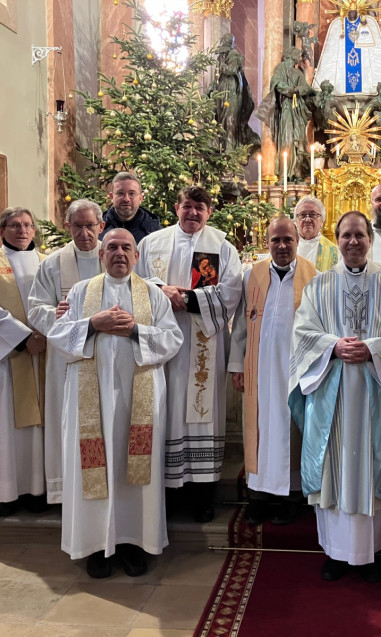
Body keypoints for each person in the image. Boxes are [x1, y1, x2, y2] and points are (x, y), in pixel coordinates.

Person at [288, 211, 381, 583]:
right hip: (332, 389)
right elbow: (303, 330)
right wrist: (332, 346)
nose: (353, 242)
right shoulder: (319, 285)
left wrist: (373, 349)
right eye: (346, 235)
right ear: (338, 239)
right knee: (333, 469)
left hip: (378, 391)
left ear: (370, 240)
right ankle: (335, 551)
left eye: (360, 235)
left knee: (372, 468)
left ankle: (370, 552)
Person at [47, 229, 182, 578]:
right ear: (102, 255)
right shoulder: (81, 292)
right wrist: (94, 324)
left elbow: (172, 339)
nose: (119, 253)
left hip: (139, 401)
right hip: (90, 400)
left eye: (126, 247)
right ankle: (95, 546)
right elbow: (57, 335)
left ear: (136, 256)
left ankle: (133, 543)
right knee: (93, 468)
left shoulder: (153, 294)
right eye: (112, 247)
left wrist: (135, 330)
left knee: (133, 471)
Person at [135, 186, 243, 522]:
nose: (193, 212)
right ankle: (168, 496)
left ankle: (202, 496)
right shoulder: (151, 243)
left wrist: (188, 299)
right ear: (176, 207)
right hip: (162, 346)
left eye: (200, 207)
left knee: (202, 417)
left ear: (209, 212)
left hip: (203, 343)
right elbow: (135, 283)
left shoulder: (221, 247)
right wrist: (161, 290)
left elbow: (231, 291)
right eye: (187, 206)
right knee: (166, 413)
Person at [228, 217, 317, 525]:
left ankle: (292, 497)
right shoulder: (251, 275)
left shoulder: (313, 277)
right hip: (259, 371)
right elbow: (241, 325)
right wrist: (237, 365)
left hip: (295, 373)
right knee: (260, 431)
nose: (281, 246)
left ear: (297, 242)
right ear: (267, 243)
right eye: (275, 240)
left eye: (287, 240)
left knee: (291, 433)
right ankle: (259, 496)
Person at [27, 199, 105, 504]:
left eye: (90, 226)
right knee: (68, 420)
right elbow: (36, 309)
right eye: (78, 226)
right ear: (68, 227)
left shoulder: (114, 254)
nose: (84, 233)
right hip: (66, 360)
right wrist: (55, 315)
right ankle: (66, 492)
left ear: (101, 226)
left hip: (106, 354)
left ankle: (102, 487)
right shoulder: (53, 264)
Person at [0, 207, 47, 517]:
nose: (22, 230)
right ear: (1, 230)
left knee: (40, 427)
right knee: (3, 425)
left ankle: (38, 490)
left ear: (34, 230)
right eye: (15, 225)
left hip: (42, 356)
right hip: (5, 359)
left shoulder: (46, 262)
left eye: (27, 225)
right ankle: (5, 493)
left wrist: (44, 337)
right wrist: (23, 338)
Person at [312, 2, 381, 96]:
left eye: (354, 12)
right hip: (344, 61)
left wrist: (365, 25)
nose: (352, 14)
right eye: (350, 12)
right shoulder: (338, 23)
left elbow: (373, 45)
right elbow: (332, 48)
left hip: (362, 59)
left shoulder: (367, 21)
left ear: (357, 12)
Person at [259, 48, 314, 179]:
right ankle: (285, 173)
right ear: (291, 55)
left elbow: (305, 87)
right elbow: (277, 82)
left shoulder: (298, 73)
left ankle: (296, 172)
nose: (298, 58)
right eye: (297, 55)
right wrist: (289, 90)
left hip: (297, 109)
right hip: (286, 107)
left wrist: (298, 90)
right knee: (287, 138)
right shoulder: (281, 68)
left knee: (299, 140)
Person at [207, 33, 260, 155]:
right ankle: (223, 147)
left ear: (230, 44)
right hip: (221, 92)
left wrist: (221, 65)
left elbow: (231, 70)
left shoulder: (234, 55)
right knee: (221, 121)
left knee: (231, 120)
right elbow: (216, 78)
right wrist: (209, 90)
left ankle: (231, 150)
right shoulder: (221, 57)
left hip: (232, 91)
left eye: (226, 42)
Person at [99, 172, 162, 243]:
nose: (126, 199)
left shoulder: (155, 232)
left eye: (132, 194)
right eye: (120, 193)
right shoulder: (98, 228)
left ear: (140, 198)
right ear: (112, 197)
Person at [294, 196, 339, 272]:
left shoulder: (334, 252)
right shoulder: (287, 248)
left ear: (322, 221)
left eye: (313, 215)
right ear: (296, 221)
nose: (307, 219)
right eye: (303, 215)